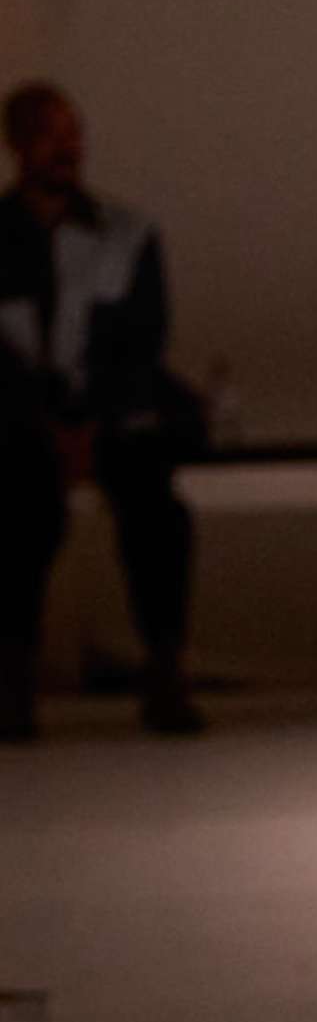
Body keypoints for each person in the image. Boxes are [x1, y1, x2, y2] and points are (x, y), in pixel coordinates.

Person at [1, 81, 207, 739]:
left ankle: (165, 669)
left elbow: (142, 342)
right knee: (18, 513)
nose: (67, 147)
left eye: (73, 132)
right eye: (49, 133)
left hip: (113, 420)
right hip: (20, 424)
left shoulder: (126, 234)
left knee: (157, 514)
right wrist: (47, 424)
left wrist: (90, 422)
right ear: (17, 144)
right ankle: (12, 681)